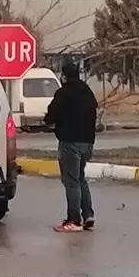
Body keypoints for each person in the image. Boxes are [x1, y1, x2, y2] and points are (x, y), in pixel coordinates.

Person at [43, 61, 99, 232]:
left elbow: (52, 114)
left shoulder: (64, 93)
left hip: (69, 142)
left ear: (64, 76)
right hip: (87, 142)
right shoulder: (88, 92)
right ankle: (88, 214)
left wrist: (48, 122)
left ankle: (73, 220)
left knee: (71, 181)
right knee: (80, 177)